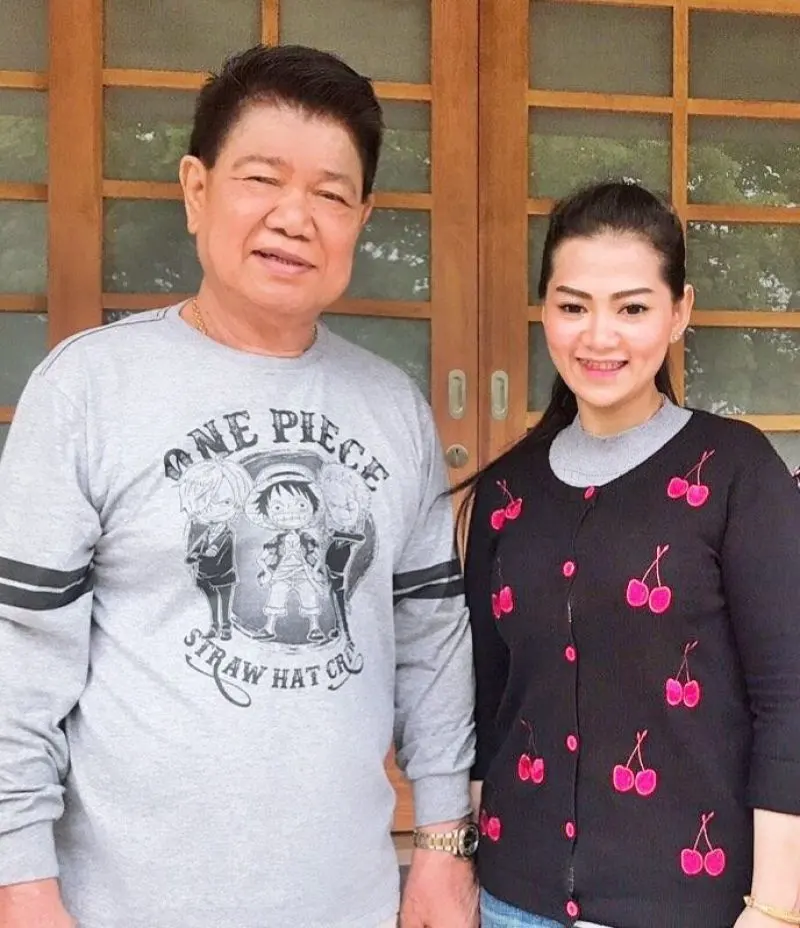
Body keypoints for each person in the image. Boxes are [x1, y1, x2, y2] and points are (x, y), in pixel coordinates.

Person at [0, 45, 478, 928]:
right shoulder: (89, 389)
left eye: (330, 194)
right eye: (261, 179)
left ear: (361, 218)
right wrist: (18, 882)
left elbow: (432, 641)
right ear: (196, 190)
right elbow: (17, 654)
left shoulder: (394, 409)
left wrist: (443, 844)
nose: (294, 217)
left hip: (349, 904)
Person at [462, 182, 800, 928]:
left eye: (633, 308)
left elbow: (789, 696)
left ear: (680, 311)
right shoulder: (509, 488)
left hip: (694, 905)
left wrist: (778, 905)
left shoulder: (734, 470)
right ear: (545, 310)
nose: (599, 336)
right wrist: (459, 859)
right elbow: (489, 694)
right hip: (515, 901)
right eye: (573, 306)